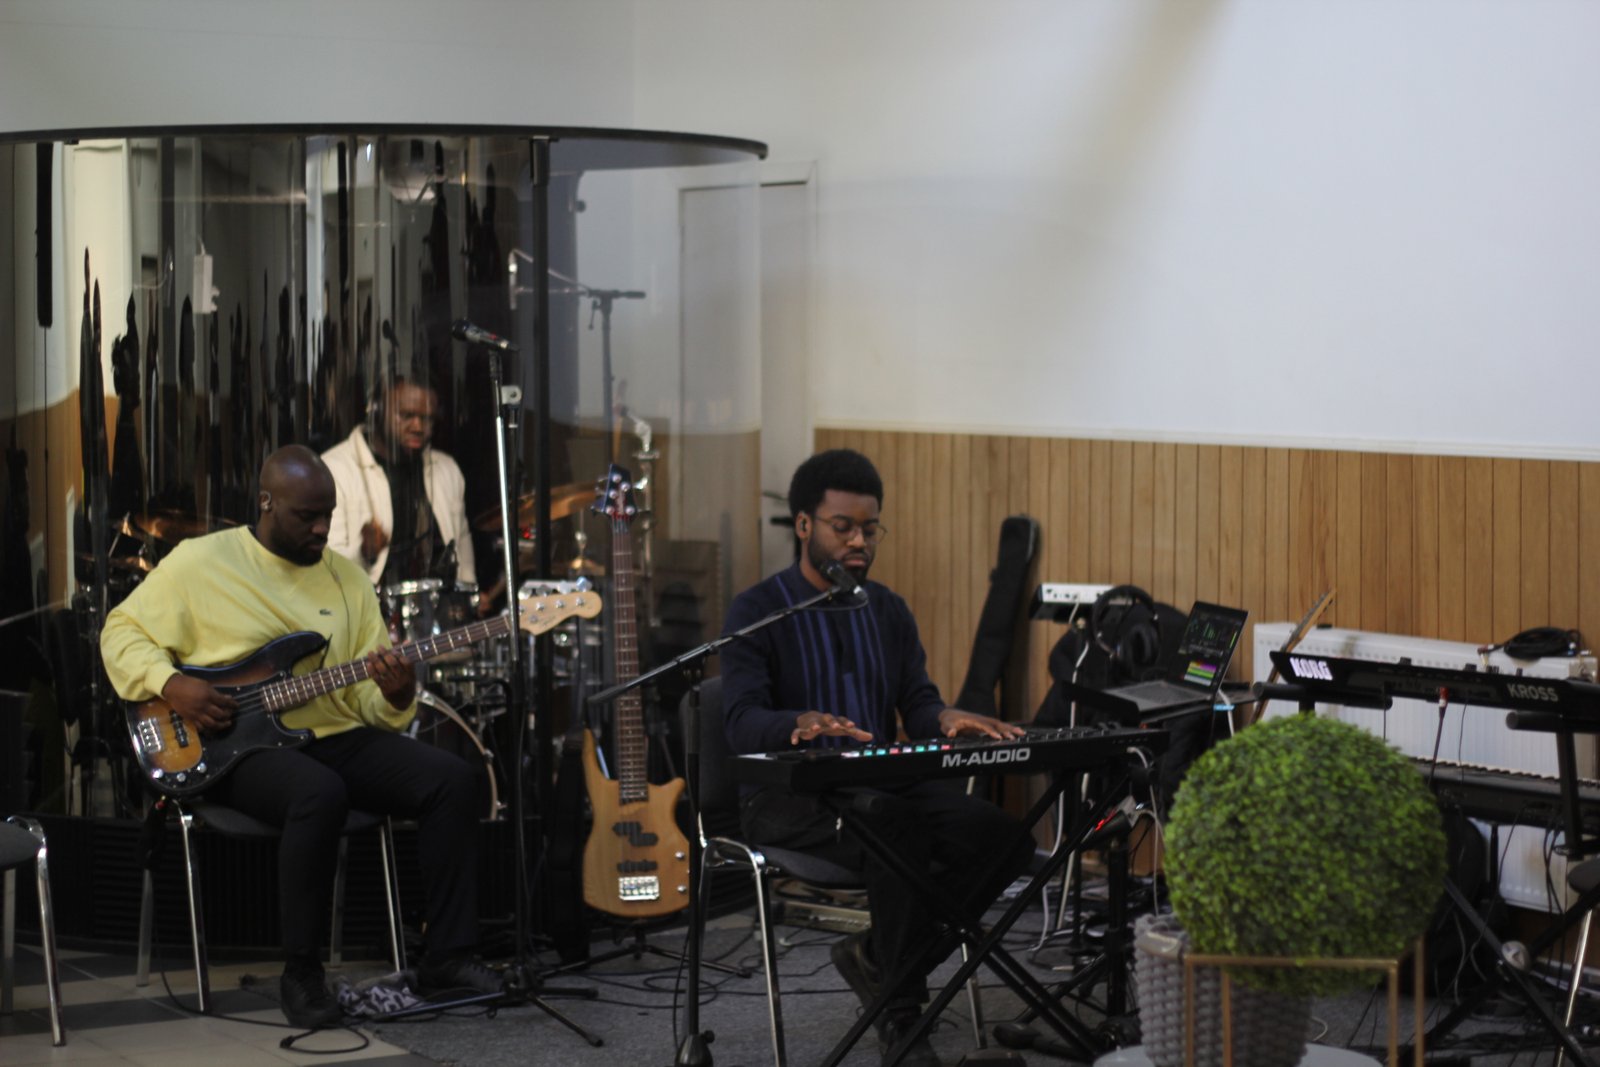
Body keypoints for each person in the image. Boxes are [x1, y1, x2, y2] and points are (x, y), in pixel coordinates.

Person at [100, 445, 501, 1029]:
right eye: (307, 516)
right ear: (266, 503)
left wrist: (395, 695)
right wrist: (172, 684)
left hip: (327, 733)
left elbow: (364, 701)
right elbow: (121, 631)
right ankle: (303, 973)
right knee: (318, 793)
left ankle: (448, 956)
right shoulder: (200, 562)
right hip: (230, 744)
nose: (321, 528)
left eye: (328, 515)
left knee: (453, 780)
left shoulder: (348, 581)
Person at [720, 449, 1036, 1067]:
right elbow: (739, 722)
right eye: (843, 527)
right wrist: (797, 723)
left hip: (880, 784)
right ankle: (902, 1016)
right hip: (790, 796)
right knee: (897, 829)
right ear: (804, 525)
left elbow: (916, 703)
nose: (859, 542)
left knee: (1005, 840)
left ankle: (879, 960)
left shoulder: (887, 609)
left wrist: (944, 718)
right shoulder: (758, 611)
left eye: (870, 529)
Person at [321, 376, 480, 604]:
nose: (418, 427)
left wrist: (469, 599)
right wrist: (364, 552)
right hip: (367, 612)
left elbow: (462, 543)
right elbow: (323, 570)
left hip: (438, 609)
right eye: (406, 415)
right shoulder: (334, 469)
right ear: (376, 411)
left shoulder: (447, 468)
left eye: (427, 419)